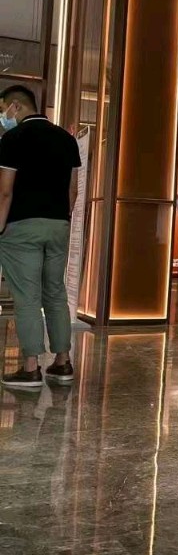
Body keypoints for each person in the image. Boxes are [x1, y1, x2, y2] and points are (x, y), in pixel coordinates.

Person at [0, 86, 80, 390]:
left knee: (27, 297)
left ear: (16, 106)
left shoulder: (12, 139)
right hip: (58, 226)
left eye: (3, 109)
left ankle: (31, 368)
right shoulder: (66, 139)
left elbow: (5, 192)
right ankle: (62, 362)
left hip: (22, 228)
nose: (3, 115)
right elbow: (72, 190)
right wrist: (61, 219)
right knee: (55, 292)